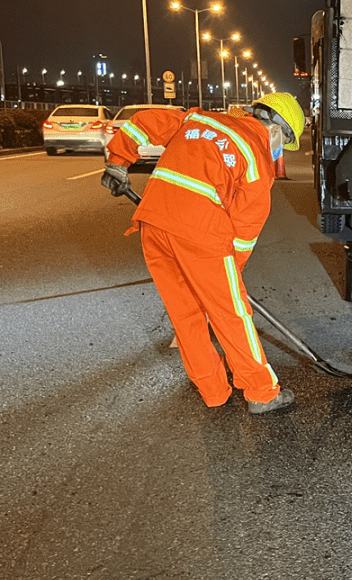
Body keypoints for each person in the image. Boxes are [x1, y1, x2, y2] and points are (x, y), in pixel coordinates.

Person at [100, 93, 306, 414]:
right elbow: (243, 232)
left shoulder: (199, 119)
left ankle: (213, 391)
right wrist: (228, 279)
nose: (280, 150)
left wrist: (117, 162)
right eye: (284, 142)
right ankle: (262, 393)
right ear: (277, 130)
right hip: (200, 229)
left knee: (186, 314)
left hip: (154, 221)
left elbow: (143, 122)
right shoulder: (257, 161)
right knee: (231, 313)